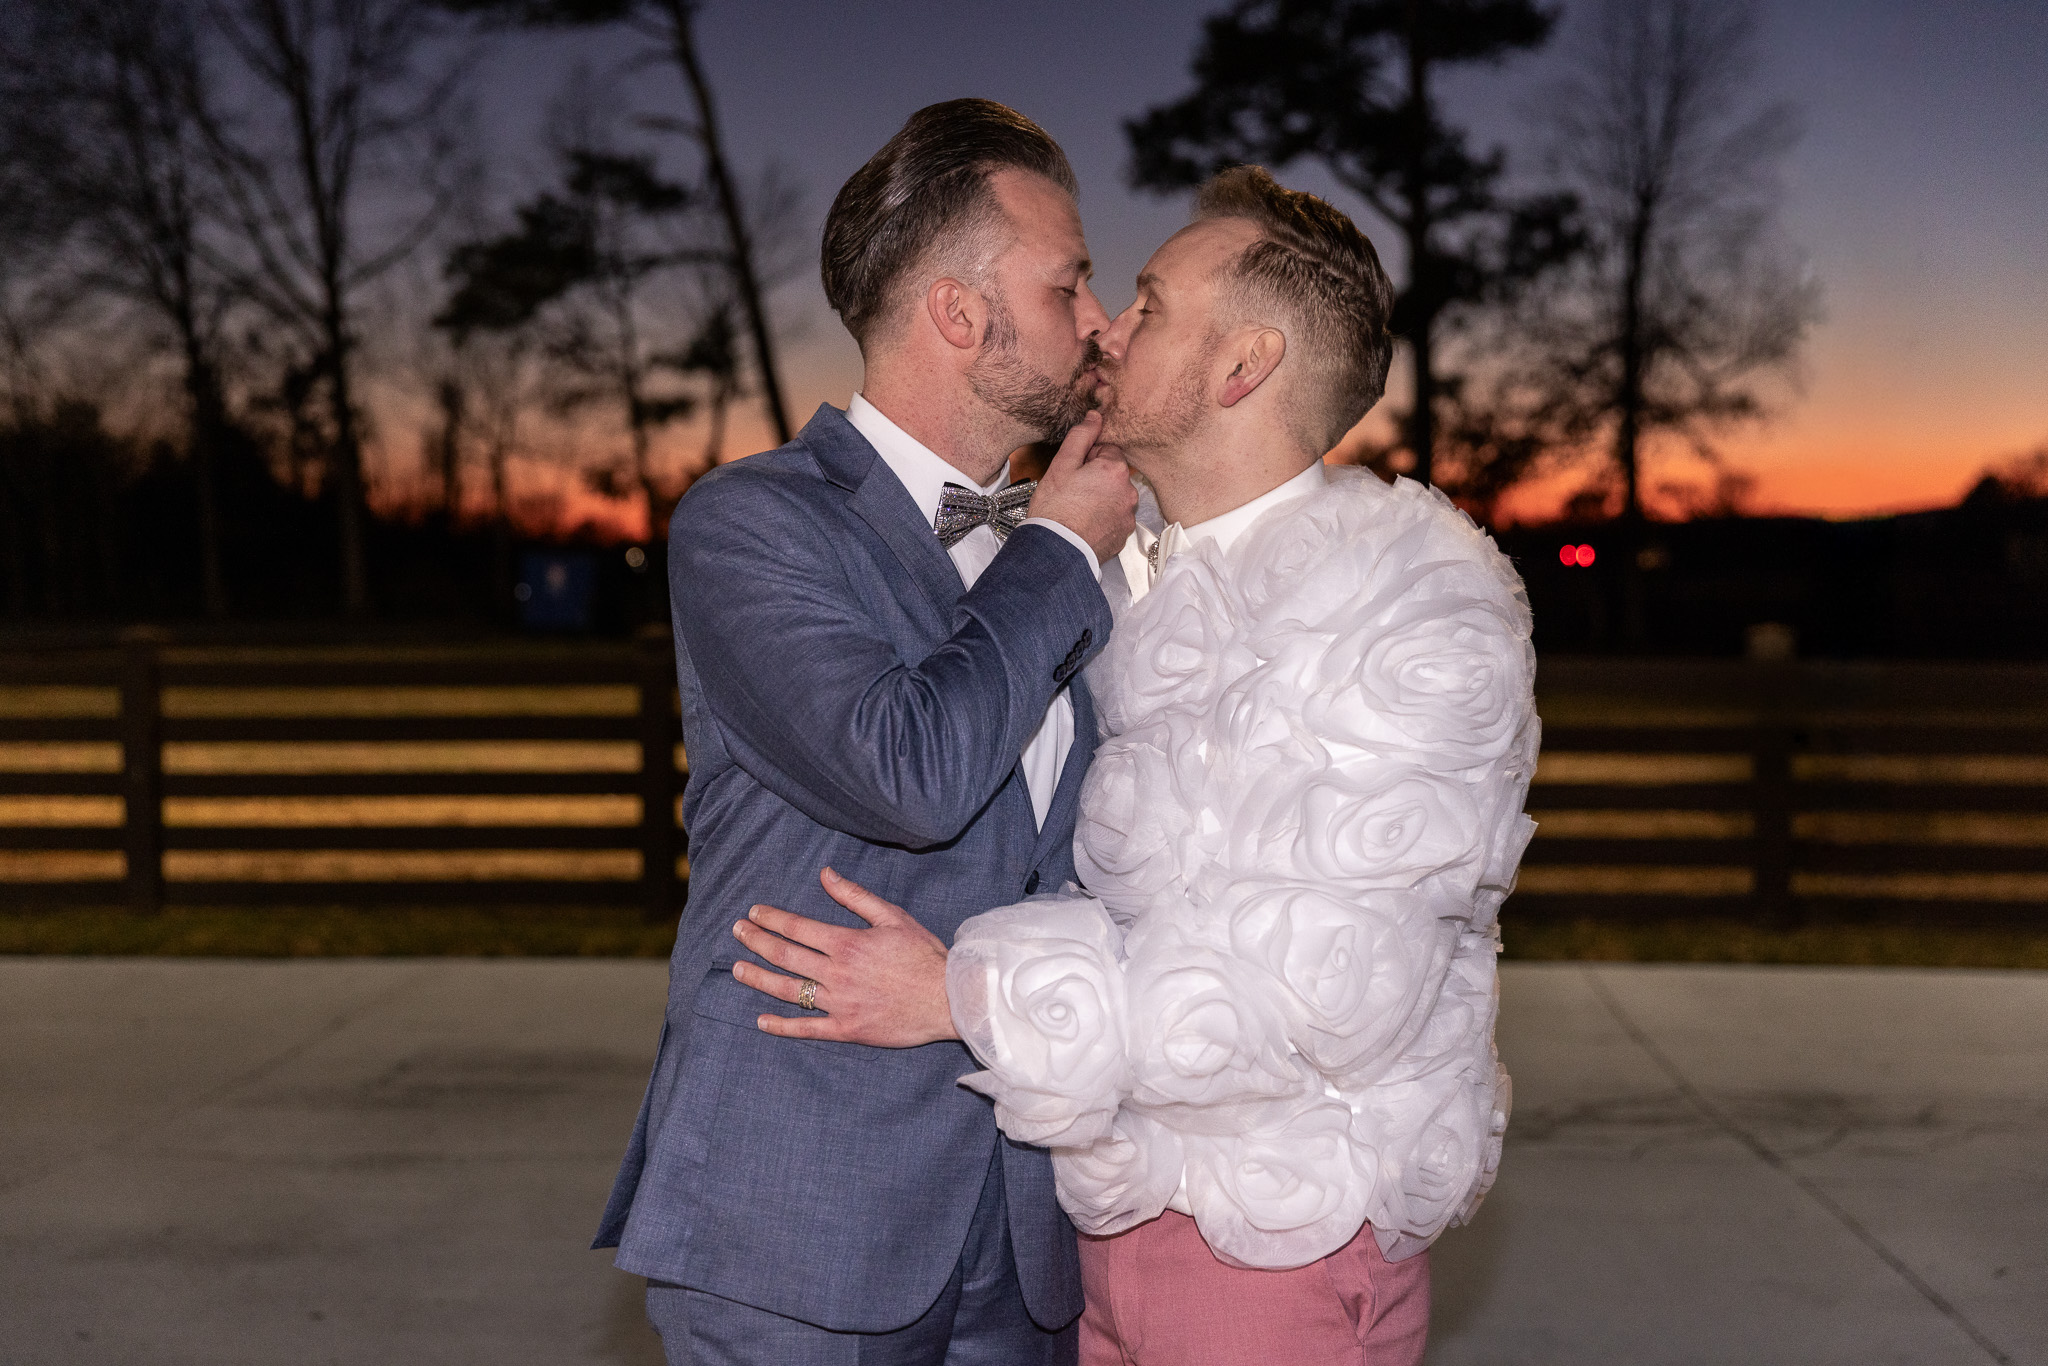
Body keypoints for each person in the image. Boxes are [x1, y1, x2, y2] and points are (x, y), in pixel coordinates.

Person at [732, 167, 1538, 1365]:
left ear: (1242, 365)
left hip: (1275, 1251)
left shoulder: (1408, 611)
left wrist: (960, 995)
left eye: (1150, 305)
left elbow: (1315, 997)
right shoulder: (1112, 577)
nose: (1107, 326)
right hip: (1090, 1232)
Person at [593, 98, 1137, 1365]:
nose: (1098, 319)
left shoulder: (1079, 544)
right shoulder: (751, 524)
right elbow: (910, 772)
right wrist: (1058, 548)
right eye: (1066, 284)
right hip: (800, 1222)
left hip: (1029, 1227)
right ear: (957, 313)